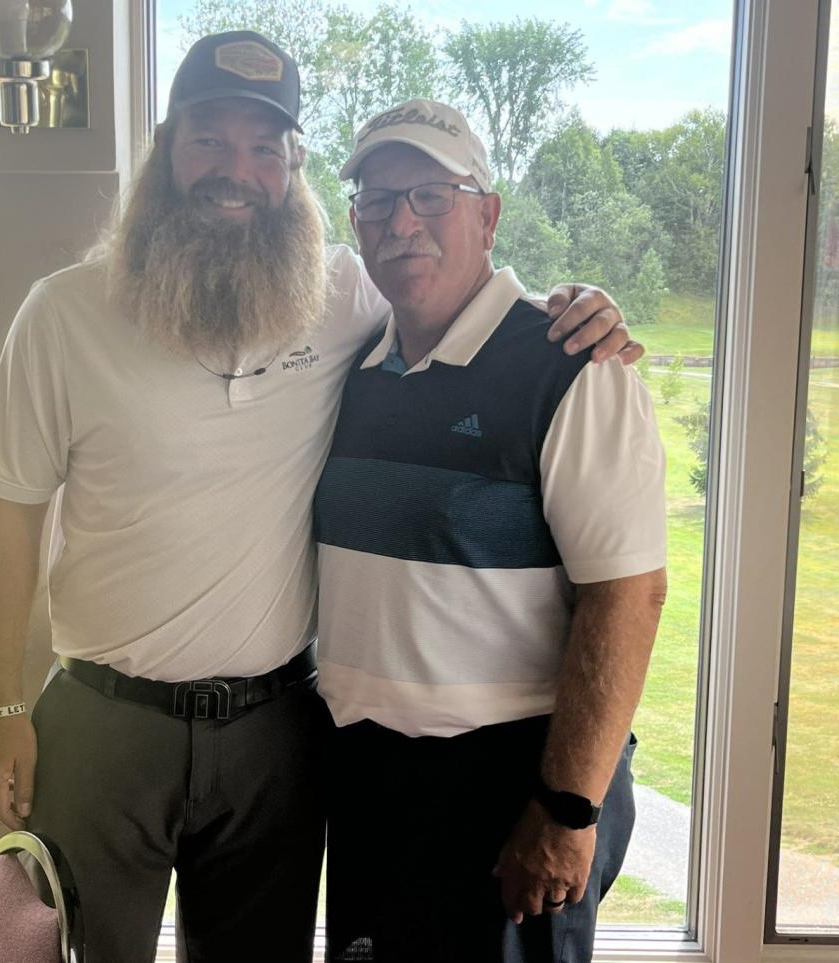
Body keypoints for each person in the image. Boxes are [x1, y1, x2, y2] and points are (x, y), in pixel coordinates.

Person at [0, 33, 641, 963]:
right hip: (101, 722)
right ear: (166, 149)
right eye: (209, 140)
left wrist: (577, 309)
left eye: (263, 147)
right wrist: (1, 709)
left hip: (274, 735)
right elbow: (5, 507)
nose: (233, 172)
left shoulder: (343, 296)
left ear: (295, 168)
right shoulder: (65, 312)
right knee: (76, 952)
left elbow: (450, 275)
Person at [314, 98, 668, 963]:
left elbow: (628, 593)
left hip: (514, 787)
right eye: (377, 200)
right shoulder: (351, 362)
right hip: (368, 782)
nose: (402, 222)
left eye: (432, 195)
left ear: (488, 213)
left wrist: (569, 808)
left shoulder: (570, 366)